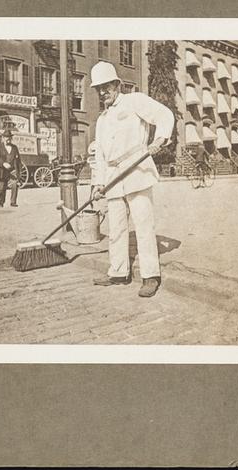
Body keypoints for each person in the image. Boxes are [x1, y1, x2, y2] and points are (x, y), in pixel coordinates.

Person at [89, 61, 175, 298]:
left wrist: (159, 139)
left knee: (143, 225)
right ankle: (118, 272)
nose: (102, 92)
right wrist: (98, 183)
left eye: (106, 86)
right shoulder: (102, 119)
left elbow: (164, 115)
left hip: (137, 170)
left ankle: (150, 276)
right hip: (113, 176)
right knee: (116, 227)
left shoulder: (135, 100)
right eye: (98, 89)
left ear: (117, 84)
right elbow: (100, 156)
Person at [0, 129, 21, 208]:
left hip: (12, 170)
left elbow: (18, 160)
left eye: (9, 137)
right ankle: (1, 202)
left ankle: (13, 202)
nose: (8, 139)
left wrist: (18, 172)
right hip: (2, 170)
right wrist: (3, 163)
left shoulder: (14, 147)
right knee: (1, 188)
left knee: (14, 184)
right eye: (6, 137)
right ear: (3, 138)